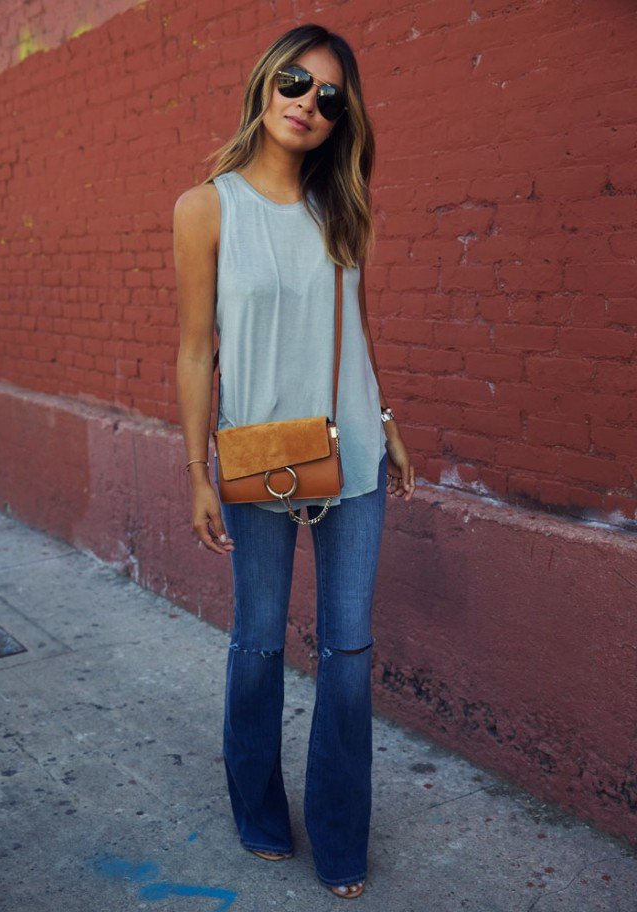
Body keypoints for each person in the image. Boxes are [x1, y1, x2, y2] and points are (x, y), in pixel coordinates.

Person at [173, 23, 415, 900]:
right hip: (256, 459)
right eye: (294, 81)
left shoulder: (341, 207)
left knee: (348, 650)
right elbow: (195, 348)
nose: (309, 102)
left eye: (330, 94)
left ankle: (342, 835)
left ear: (343, 115)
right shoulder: (207, 207)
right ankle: (259, 809)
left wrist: (386, 419)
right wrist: (197, 470)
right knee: (258, 643)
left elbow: (356, 329)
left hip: (348, 456)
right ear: (263, 85)